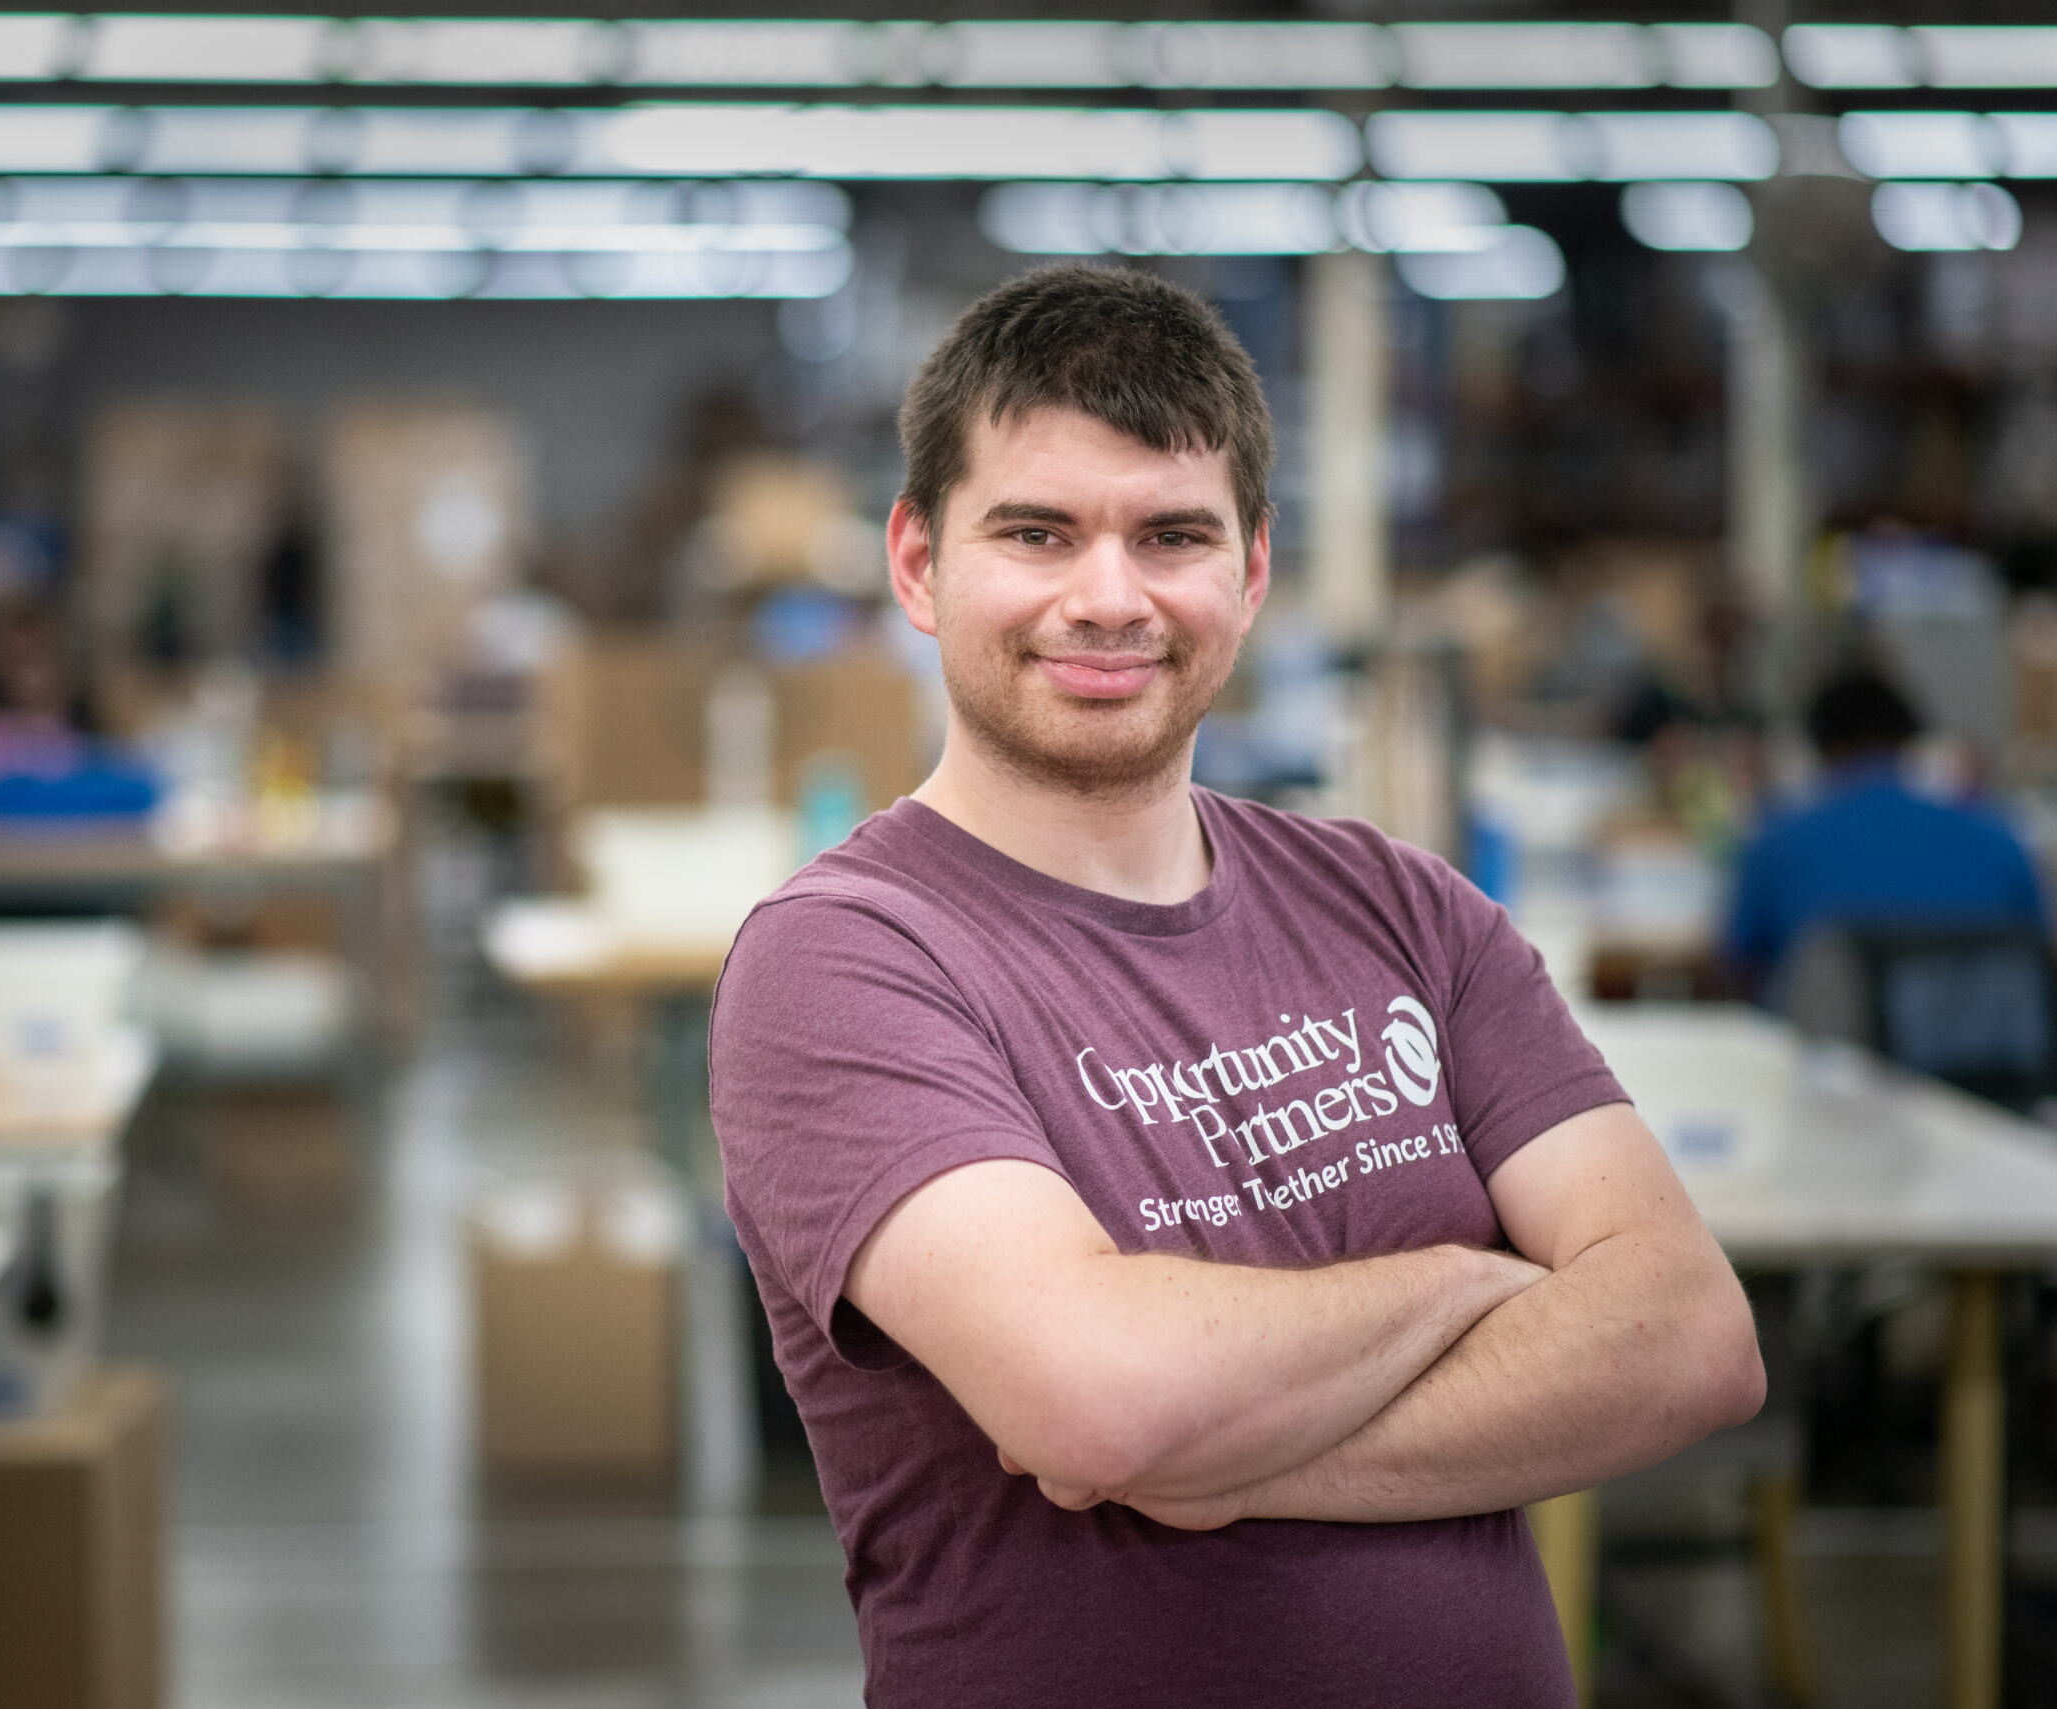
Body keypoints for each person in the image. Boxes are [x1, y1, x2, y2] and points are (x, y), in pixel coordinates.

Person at [708, 266, 1764, 1708]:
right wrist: (1479, 1281)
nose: (1107, 596)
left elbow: (1692, 1340)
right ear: (917, 562)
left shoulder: (1405, 907)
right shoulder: (846, 959)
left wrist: (1223, 1454)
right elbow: (1100, 1400)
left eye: (1171, 535)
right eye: (1036, 531)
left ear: (1252, 574)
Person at [1724, 664, 2045, 999]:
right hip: (1978, 1047)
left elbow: (1739, 964)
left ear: (1819, 747)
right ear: (1909, 739)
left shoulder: (1777, 844)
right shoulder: (2000, 843)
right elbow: (2036, 960)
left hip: (1827, 1044)